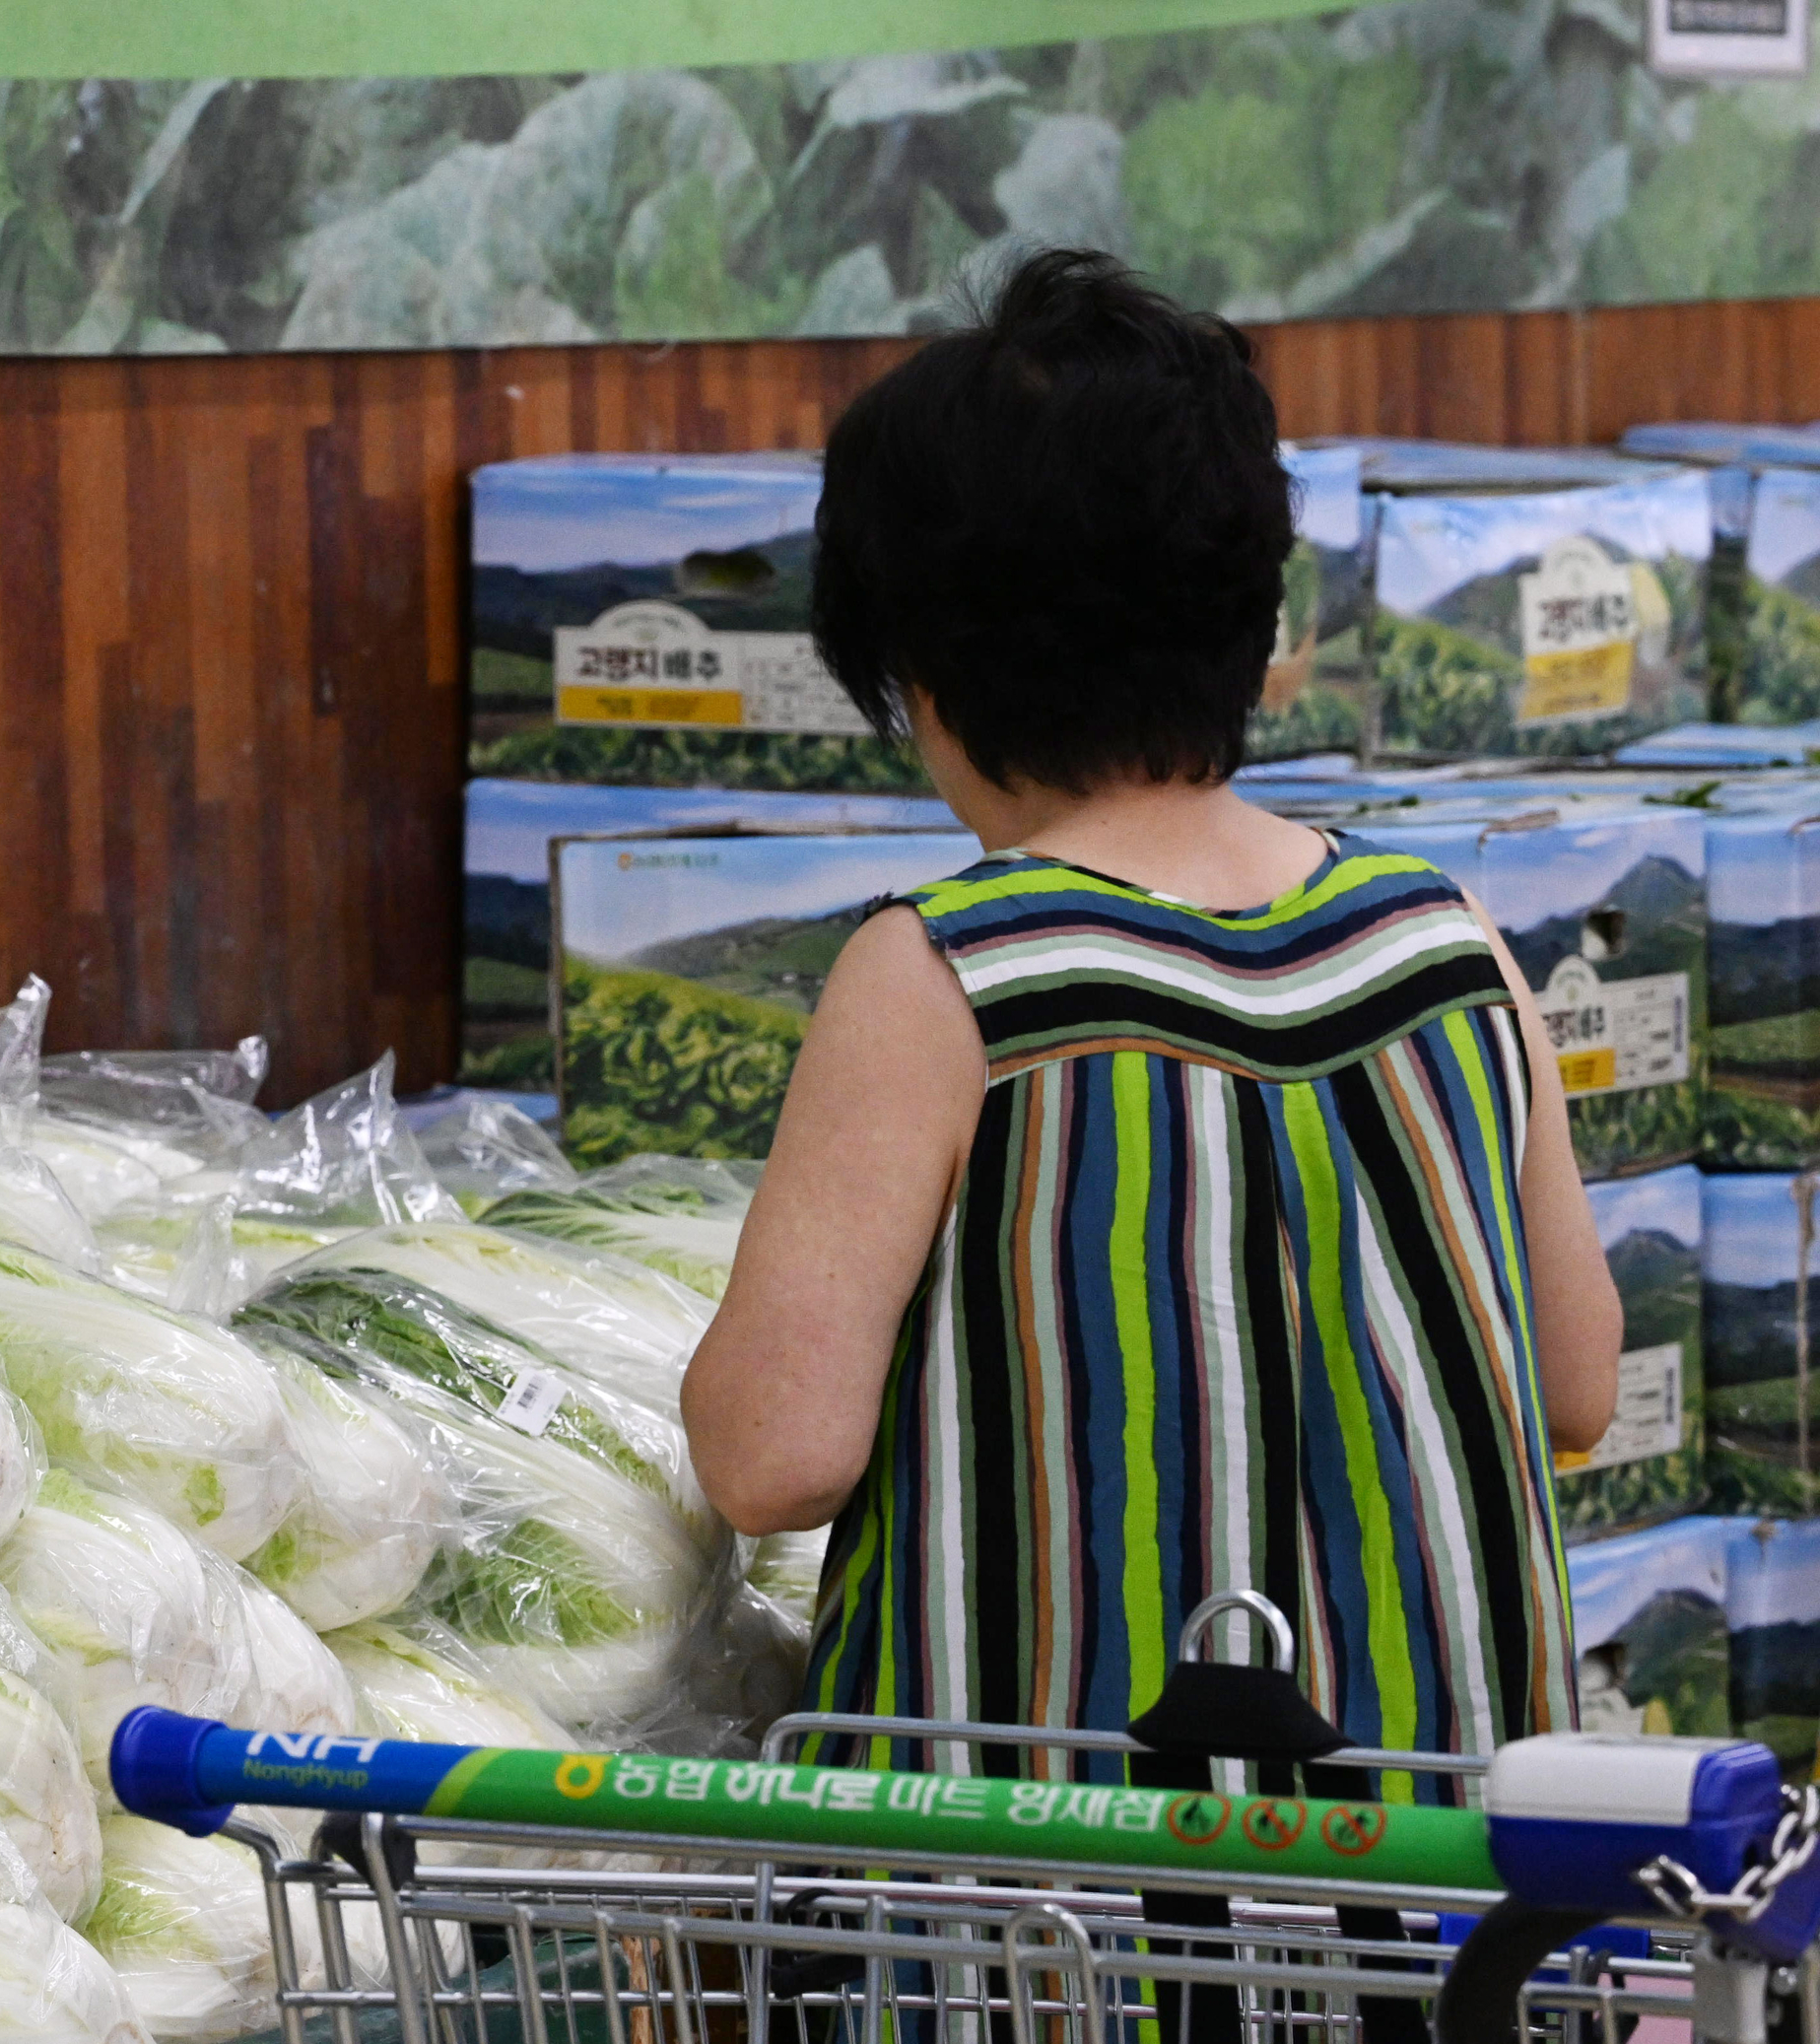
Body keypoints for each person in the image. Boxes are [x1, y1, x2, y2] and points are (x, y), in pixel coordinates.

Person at [679, 247, 1621, 1762]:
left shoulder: (948, 979)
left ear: (915, 669)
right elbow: (1577, 1379)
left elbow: (774, 1456)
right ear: (1253, 616)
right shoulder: (1452, 948)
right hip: (1423, 1909)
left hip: (1049, 1930)